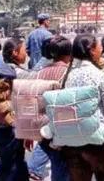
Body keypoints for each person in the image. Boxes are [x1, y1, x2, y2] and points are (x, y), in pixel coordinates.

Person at [61, 34, 104, 181]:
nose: (101, 49)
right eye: (99, 46)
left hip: (73, 141)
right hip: (99, 140)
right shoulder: (98, 76)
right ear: (91, 50)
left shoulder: (69, 75)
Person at [27, 36, 72, 181]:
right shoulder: (70, 73)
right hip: (64, 126)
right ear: (69, 53)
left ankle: (34, 169)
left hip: (44, 125)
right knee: (61, 167)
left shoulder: (39, 73)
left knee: (56, 162)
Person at [0, 38, 30, 181]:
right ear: (14, 52)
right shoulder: (11, 71)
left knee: (16, 164)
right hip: (9, 124)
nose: (27, 53)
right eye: (24, 50)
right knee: (9, 165)